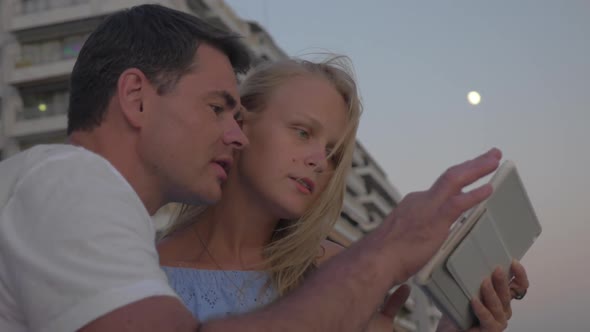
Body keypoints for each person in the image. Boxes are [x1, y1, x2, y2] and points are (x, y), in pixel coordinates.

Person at [0, 3, 518, 332]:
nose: (231, 131)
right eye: (219, 108)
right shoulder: (69, 186)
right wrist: (383, 255)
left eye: (334, 153)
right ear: (136, 98)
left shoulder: (115, 237)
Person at [157, 57, 530, 331]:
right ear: (241, 122)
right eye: (303, 132)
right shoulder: (139, 265)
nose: (320, 161)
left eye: (334, 154)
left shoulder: (334, 268)